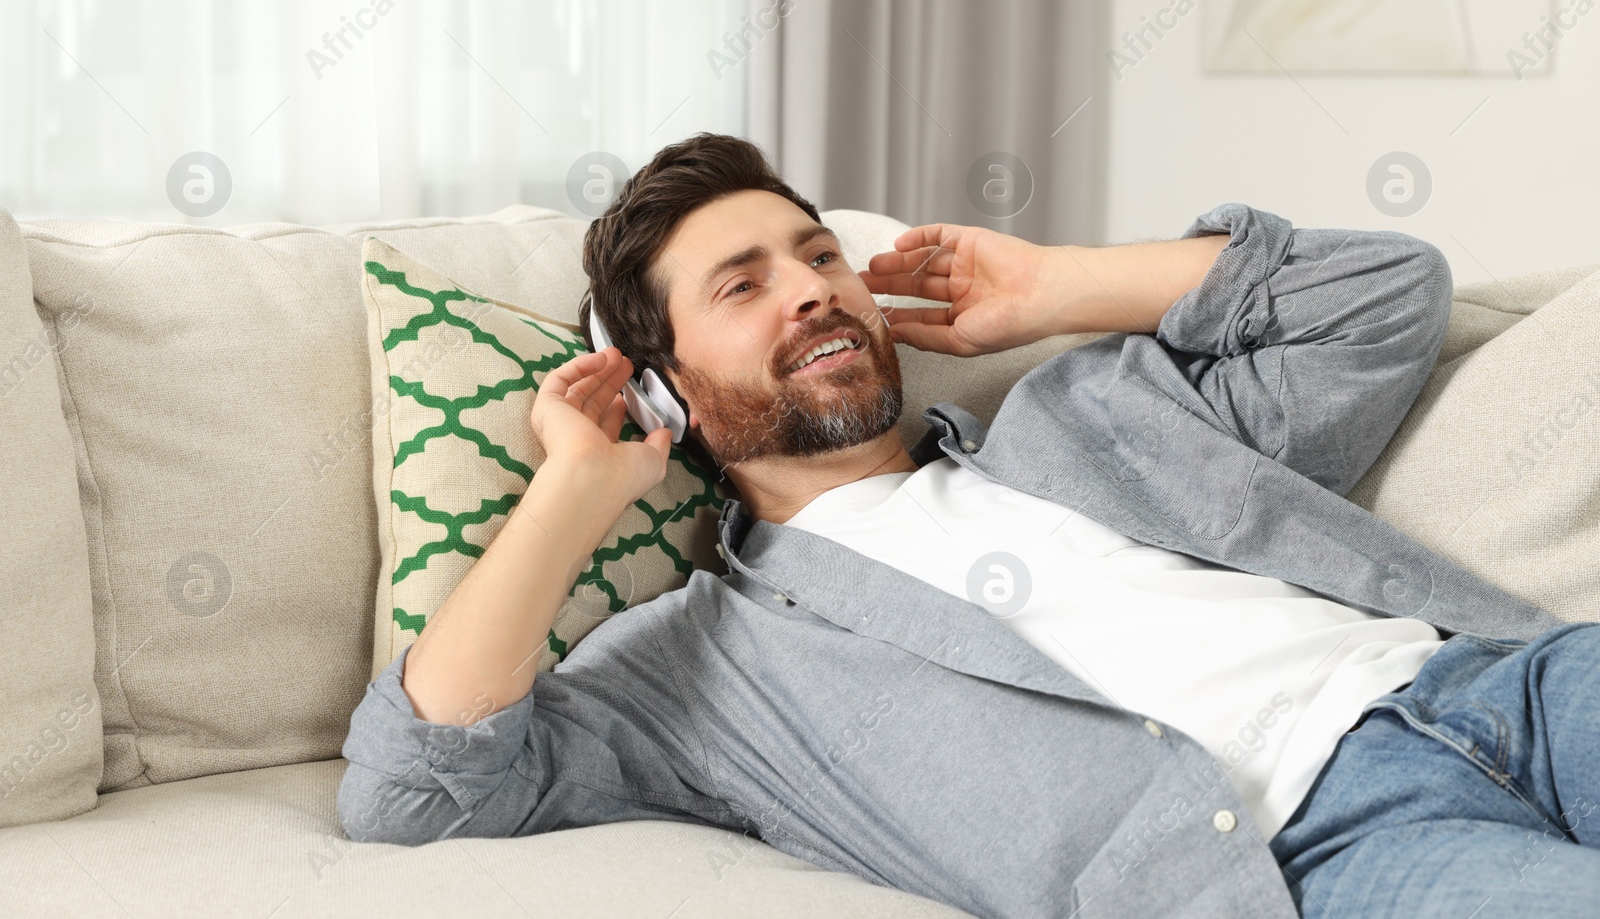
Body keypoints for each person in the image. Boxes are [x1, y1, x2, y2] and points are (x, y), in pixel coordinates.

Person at [338, 134, 1598, 918]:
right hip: (1326, 847)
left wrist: (1059, 286)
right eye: (745, 283)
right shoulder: (702, 674)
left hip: (1502, 686)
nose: (814, 288)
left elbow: (1382, 297)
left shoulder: (1086, 409)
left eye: (817, 254)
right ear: (663, 380)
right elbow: (417, 787)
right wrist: (573, 487)